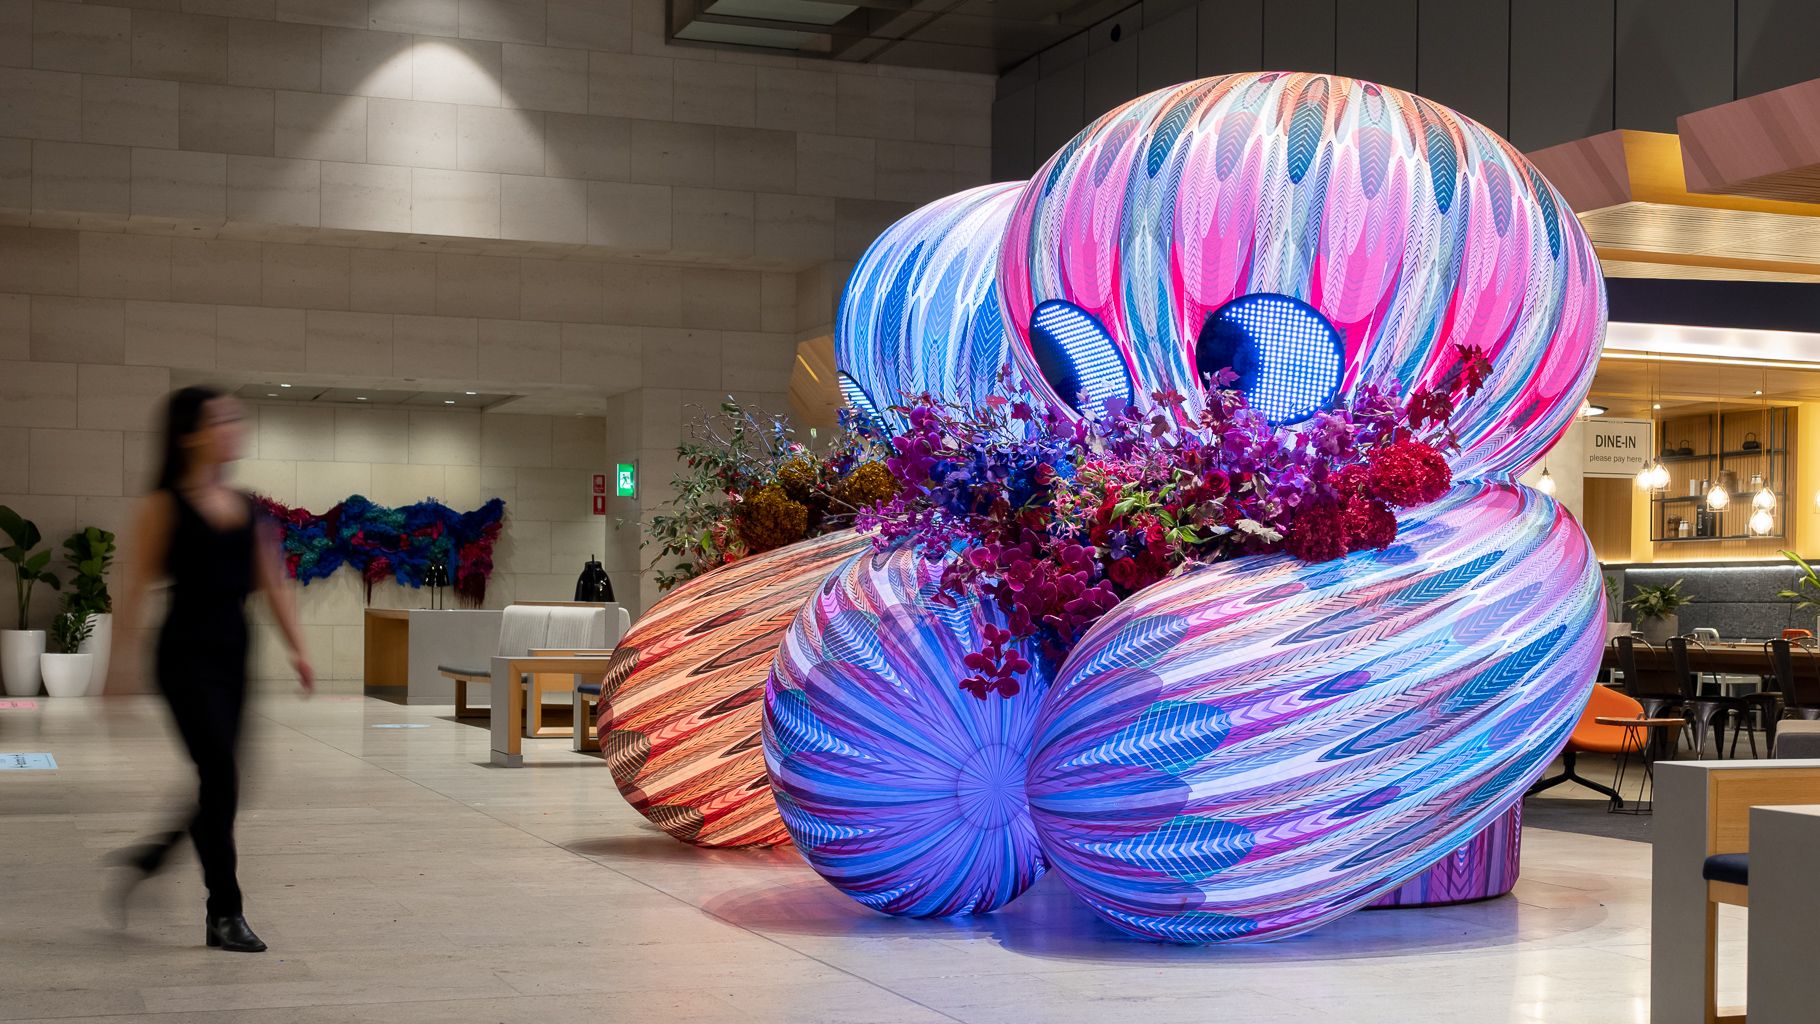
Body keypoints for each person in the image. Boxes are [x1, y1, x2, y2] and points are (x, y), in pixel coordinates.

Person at [109, 386, 314, 953]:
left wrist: (299, 649)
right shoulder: (162, 506)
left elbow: (273, 582)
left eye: (234, 418)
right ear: (190, 435)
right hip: (183, 654)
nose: (233, 428)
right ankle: (225, 910)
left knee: (225, 781)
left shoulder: (247, 506)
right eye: (220, 420)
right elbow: (134, 589)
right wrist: (116, 670)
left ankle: (154, 855)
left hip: (233, 650)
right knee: (221, 775)